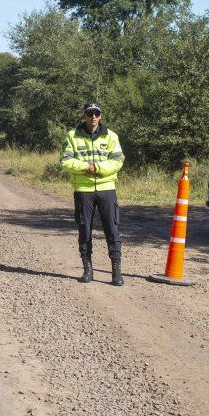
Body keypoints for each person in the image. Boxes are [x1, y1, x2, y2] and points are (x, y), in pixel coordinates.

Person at [59, 102, 126, 286]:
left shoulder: (111, 136)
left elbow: (118, 160)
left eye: (96, 113)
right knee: (84, 229)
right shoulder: (72, 136)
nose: (93, 117)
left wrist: (98, 168)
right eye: (90, 114)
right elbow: (65, 160)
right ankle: (87, 269)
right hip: (83, 190)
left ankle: (116, 271)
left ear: (101, 116)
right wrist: (85, 167)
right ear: (84, 116)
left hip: (107, 189)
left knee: (112, 229)